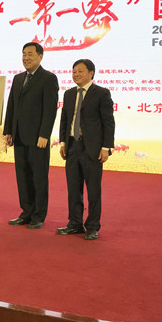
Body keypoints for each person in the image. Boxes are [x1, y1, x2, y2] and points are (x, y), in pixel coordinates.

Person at [3, 42, 59, 229]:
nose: (26, 58)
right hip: (19, 136)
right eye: (24, 54)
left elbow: (50, 109)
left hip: (37, 138)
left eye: (30, 54)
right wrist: (8, 131)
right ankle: (26, 212)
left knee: (39, 178)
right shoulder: (18, 78)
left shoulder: (48, 78)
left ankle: (38, 216)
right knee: (22, 176)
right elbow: (11, 106)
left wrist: (44, 134)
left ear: (40, 56)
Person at [57, 59, 114, 240]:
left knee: (93, 189)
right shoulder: (69, 94)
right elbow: (65, 120)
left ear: (91, 73)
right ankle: (74, 224)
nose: (76, 74)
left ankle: (92, 226)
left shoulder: (101, 93)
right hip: (72, 146)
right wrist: (63, 143)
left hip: (92, 149)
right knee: (73, 188)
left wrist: (106, 147)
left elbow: (108, 122)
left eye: (80, 71)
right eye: (74, 71)